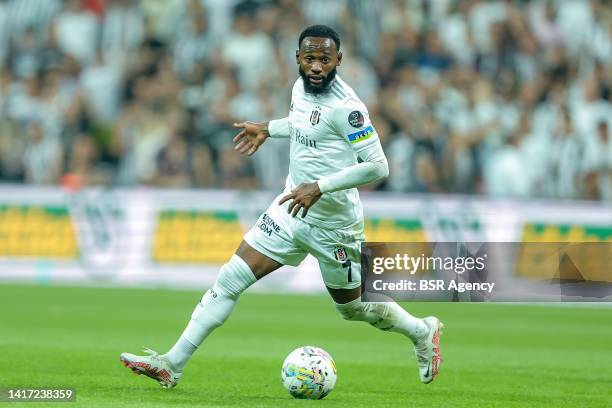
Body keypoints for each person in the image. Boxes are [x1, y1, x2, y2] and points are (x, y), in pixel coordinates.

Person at [120, 24, 443, 388]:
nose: (316, 66)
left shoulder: (348, 108)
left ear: (339, 59)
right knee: (230, 278)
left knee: (352, 309)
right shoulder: (299, 88)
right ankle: (172, 364)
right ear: (298, 59)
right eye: (309, 59)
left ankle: (420, 330)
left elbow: (378, 165)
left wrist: (319, 187)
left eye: (324, 59)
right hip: (290, 208)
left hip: (334, 225)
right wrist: (269, 129)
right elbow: (304, 122)